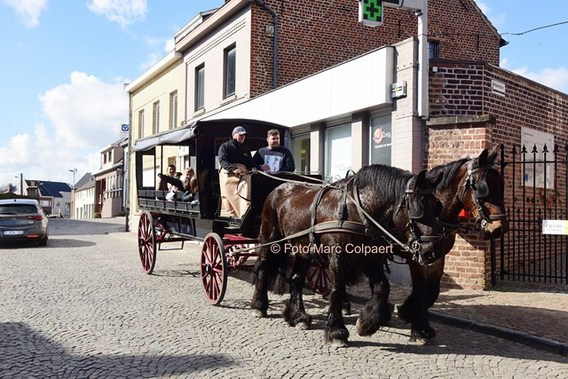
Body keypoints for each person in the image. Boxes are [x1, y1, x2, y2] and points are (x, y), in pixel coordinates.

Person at [218, 126, 253, 218]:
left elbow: (250, 163)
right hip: (229, 175)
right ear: (234, 135)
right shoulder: (225, 147)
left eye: (244, 135)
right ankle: (232, 216)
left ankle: (245, 214)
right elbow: (222, 160)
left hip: (243, 174)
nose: (242, 137)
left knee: (246, 189)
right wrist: (233, 169)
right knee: (228, 196)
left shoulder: (246, 150)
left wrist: (253, 168)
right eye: (240, 135)